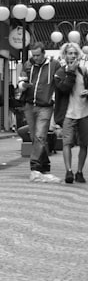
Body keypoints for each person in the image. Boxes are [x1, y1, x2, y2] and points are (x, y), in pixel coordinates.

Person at [20, 42, 62, 181]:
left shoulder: (54, 65)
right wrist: (23, 85)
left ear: (44, 53)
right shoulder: (27, 64)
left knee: (39, 136)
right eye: (34, 55)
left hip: (45, 105)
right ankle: (45, 166)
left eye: (38, 55)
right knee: (35, 138)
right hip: (29, 105)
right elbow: (21, 83)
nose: (36, 58)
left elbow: (59, 83)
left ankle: (35, 167)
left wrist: (55, 99)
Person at [54, 43, 88, 184]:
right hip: (68, 114)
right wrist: (70, 73)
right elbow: (64, 89)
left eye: (75, 53)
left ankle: (79, 172)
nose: (72, 56)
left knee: (84, 144)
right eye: (69, 53)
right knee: (67, 143)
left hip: (84, 112)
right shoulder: (60, 73)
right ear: (64, 55)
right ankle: (68, 171)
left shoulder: (84, 71)